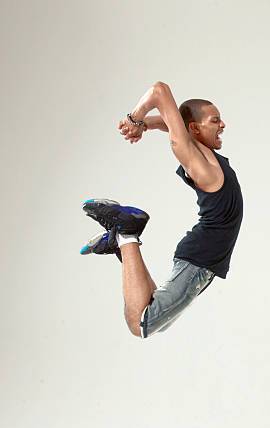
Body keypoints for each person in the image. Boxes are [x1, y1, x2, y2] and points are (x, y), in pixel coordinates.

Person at [80, 81, 243, 338]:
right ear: (194, 128)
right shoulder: (200, 165)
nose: (222, 125)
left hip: (200, 258)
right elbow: (159, 90)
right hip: (199, 262)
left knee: (159, 321)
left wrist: (146, 125)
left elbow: (173, 124)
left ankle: (121, 241)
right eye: (215, 120)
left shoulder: (204, 153)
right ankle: (125, 233)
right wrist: (135, 118)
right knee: (142, 324)